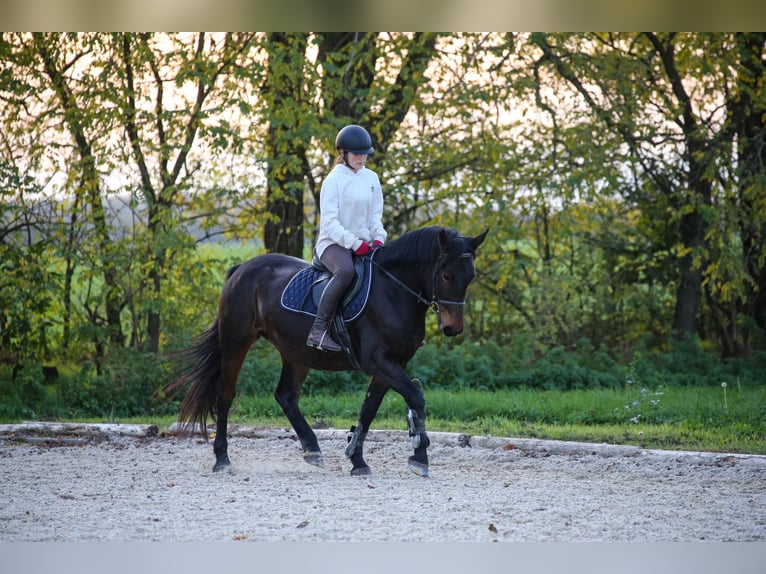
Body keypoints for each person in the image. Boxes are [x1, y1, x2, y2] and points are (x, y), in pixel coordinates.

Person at [307, 124, 387, 351]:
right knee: (346, 271)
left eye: (365, 154)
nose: (362, 158)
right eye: (357, 153)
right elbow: (330, 223)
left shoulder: (371, 178)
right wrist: (355, 244)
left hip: (364, 243)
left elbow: (375, 216)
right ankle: (318, 330)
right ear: (343, 153)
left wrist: (378, 238)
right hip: (333, 244)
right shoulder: (333, 180)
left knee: (387, 269)